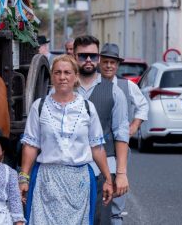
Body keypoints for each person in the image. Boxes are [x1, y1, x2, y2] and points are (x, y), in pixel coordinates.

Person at [20, 55, 114, 224]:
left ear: (76, 76)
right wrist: (23, 178)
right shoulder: (39, 106)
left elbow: (97, 147)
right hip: (47, 180)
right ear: (52, 76)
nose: (62, 77)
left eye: (67, 72)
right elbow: (30, 145)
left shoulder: (87, 108)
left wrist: (108, 179)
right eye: (57, 73)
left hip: (79, 182)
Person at [70, 36, 130, 225]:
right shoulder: (62, 89)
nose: (88, 60)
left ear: (98, 58)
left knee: (100, 220)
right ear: (74, 55)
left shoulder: (114, 92)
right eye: (83, 56)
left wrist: (120, 174)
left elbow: (121, 133)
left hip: (102, 170)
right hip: (68, 168)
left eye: (93, 56)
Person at [95, 43, 147, 224]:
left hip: (118, 148)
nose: (109, 66)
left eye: (113, 62)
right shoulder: (91, 84)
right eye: (106, 62)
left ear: (117, 65)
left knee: (117, 194)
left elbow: (142, 106)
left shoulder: (126, 86)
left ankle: (115, 218)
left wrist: (134, 127)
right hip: (95, 148)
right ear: (99, 62)